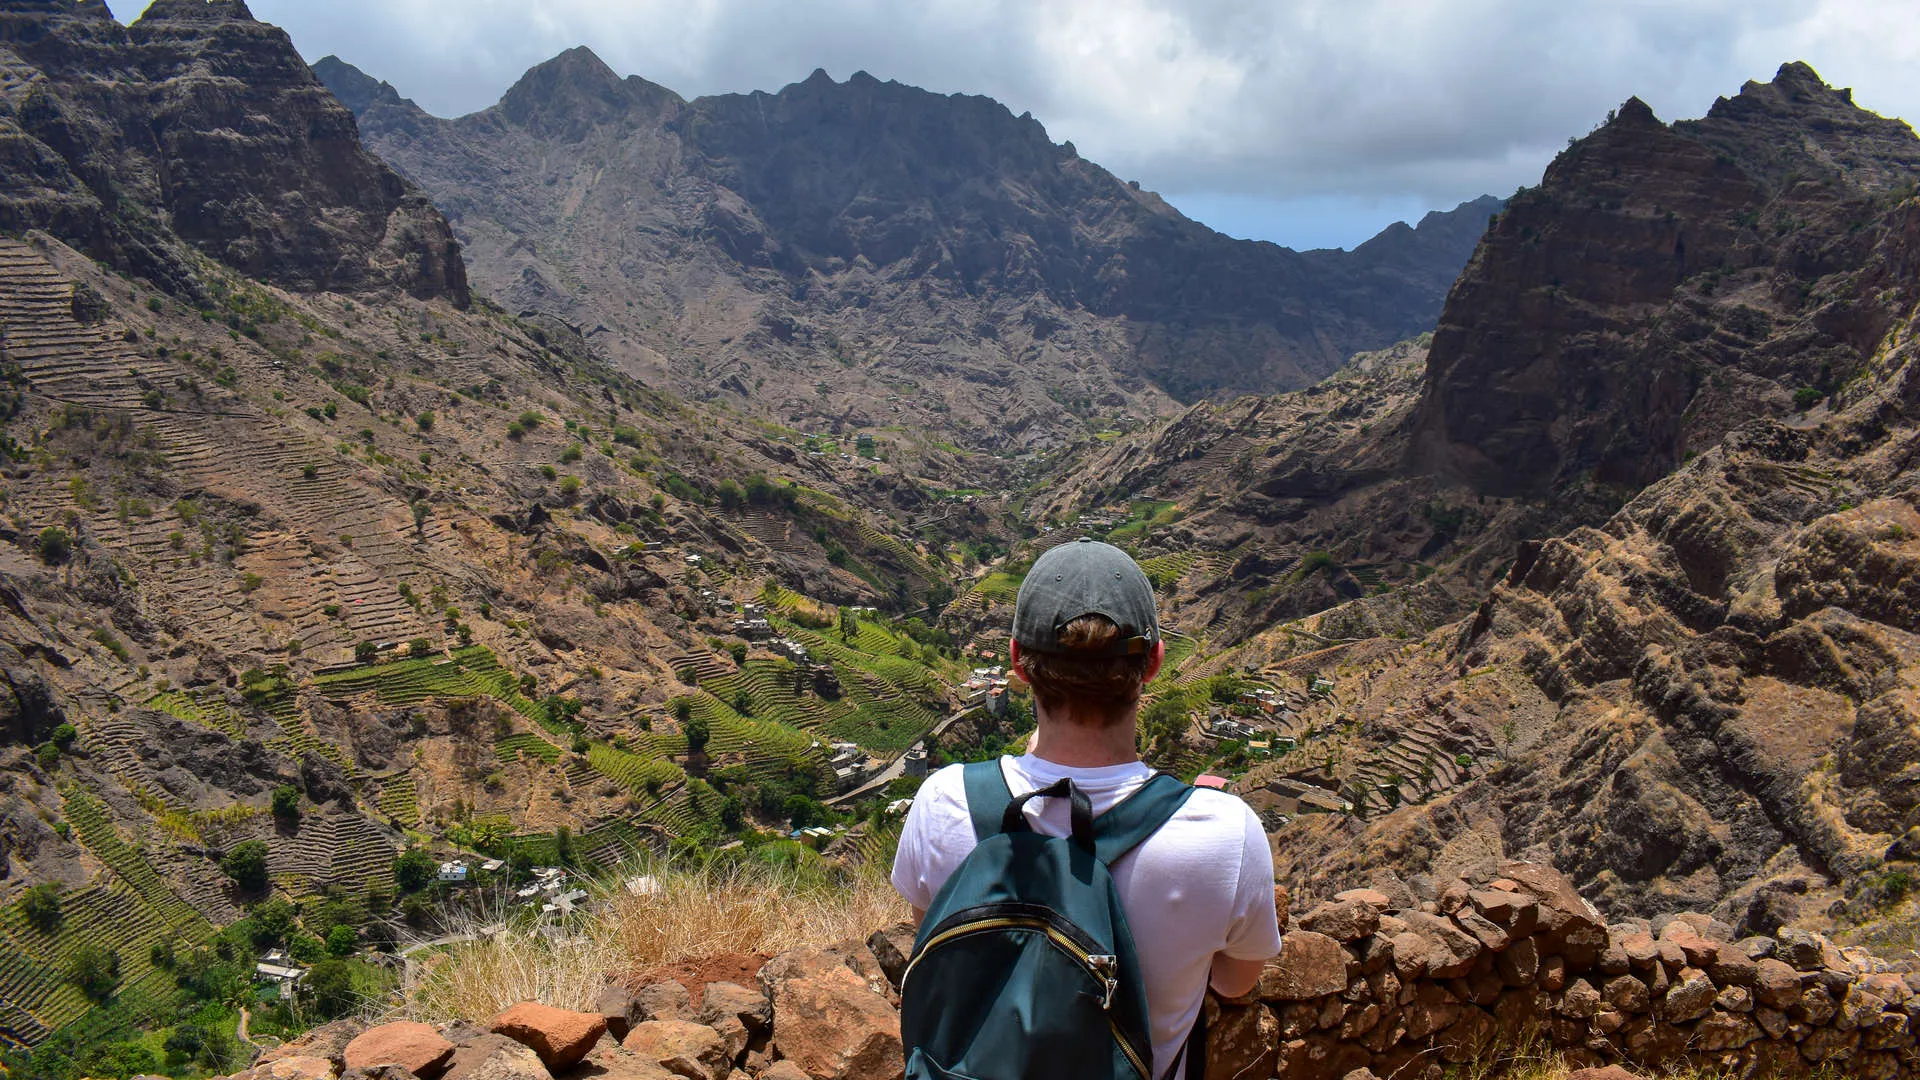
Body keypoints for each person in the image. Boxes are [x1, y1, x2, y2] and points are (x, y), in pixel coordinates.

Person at [893, 538, 1281, 1079]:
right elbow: (1237, 981)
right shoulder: (1225, 834)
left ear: (1017, 664)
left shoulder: (944, 801)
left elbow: (933, 946)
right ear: (1153, 664)